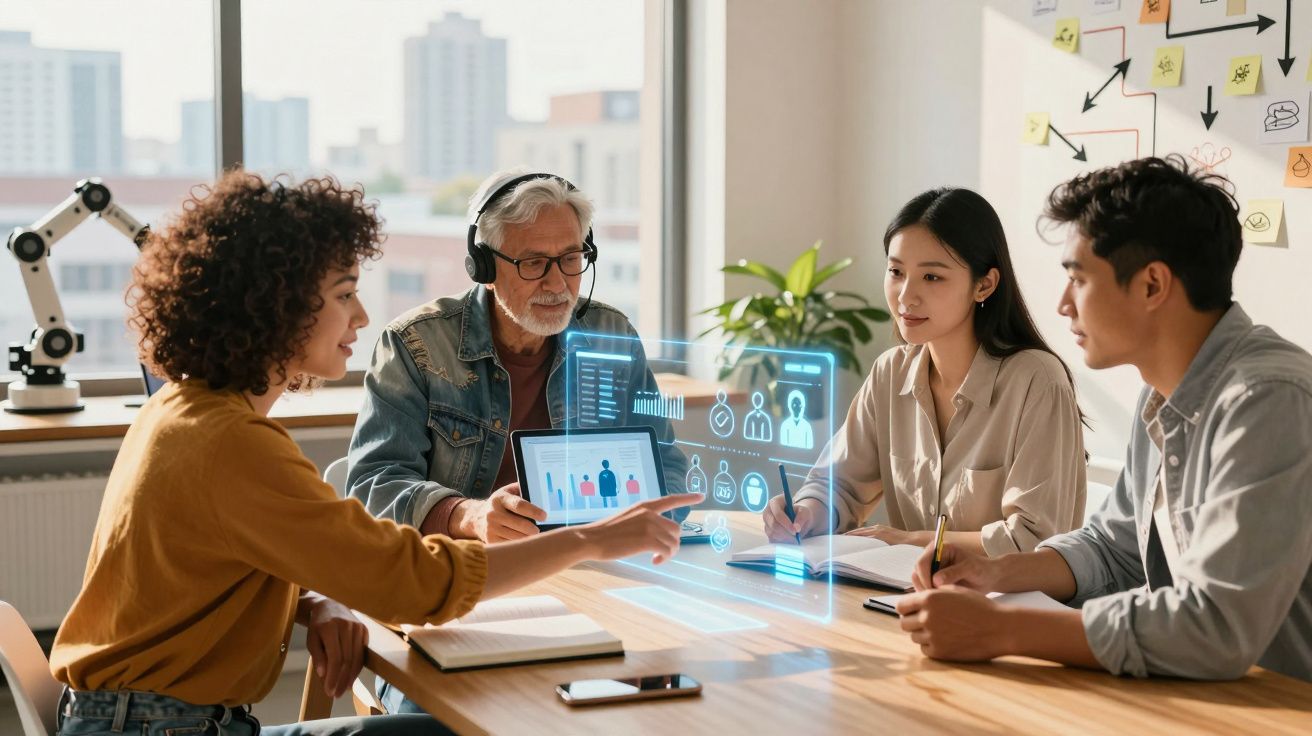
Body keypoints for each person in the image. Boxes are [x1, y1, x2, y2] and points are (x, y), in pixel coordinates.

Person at [48, 171, 701, 736]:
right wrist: (587, 540)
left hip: (156, 718)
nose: (360, 316)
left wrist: (314, 599)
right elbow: (413, 584)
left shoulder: (187, 413)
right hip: (170, 728)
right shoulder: (231, 442)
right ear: (276, 307)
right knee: (476, 727)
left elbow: (235, 555)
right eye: (342, 294)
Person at [898, 155, 1312, 682]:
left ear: (1152, 285)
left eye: (1079, 280)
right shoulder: (1161, 394)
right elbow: (1113, 552)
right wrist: (994, 572)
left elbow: (1217, 626)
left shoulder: (1268, 400)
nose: (1063, 304)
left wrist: (1000, 629)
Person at [346, 169, 691, 712]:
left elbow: (665, 461)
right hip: (462, 599)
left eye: (572, 258)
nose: (557, 283)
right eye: (533, 263)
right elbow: (371, 484)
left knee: (674, 702)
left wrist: (653, 516)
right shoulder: (415, 344)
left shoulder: (610, 335)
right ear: (483, 266)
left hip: (595, 592)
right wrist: (468, 515)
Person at [763, 188, 1086, 557]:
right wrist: (804, 513)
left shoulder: (1037, 382)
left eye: (931, 277)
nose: (905, 296)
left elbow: (1035, 541)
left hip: (1006, 608)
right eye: (896, 272)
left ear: (984, 284)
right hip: (909, 600)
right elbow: (840, 486)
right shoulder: (890, 374)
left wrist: (912, 541)